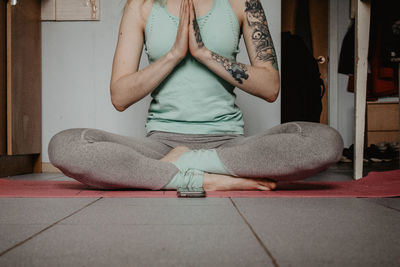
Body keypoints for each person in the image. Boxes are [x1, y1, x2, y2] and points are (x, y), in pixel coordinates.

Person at [47, 0, 344, 191]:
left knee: (326, 141)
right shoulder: (140, 7)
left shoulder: (244, 4)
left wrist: (204, 54)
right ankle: (202, 178)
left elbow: (270, 88)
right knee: (66, 145)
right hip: (160, 145)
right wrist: (174, 55)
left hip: (229, 144)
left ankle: (184, 165)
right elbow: (120, 96)